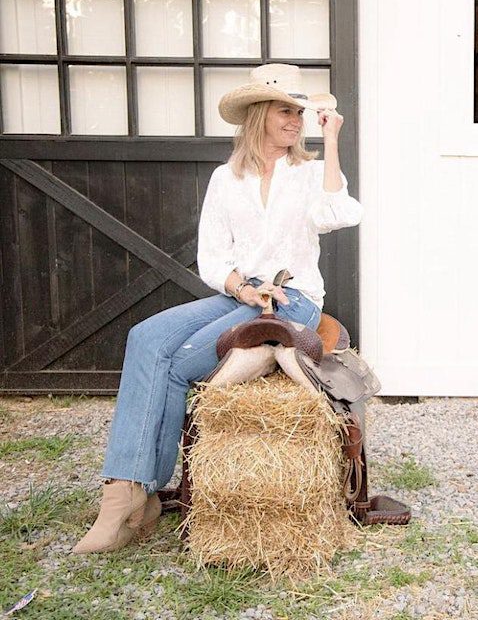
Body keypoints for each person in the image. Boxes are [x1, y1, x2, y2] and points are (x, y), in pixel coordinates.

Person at [73, 63, 362, 554]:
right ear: (257, 115)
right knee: (145, 337)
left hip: (293, 299)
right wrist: (242, 288)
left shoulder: (311, 173)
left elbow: (338, 214)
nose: (296, 121)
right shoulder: (226, 178)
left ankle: (135, 494)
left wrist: (331, 139)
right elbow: (211, 257)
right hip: (240, 294)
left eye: (300, 113)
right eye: (285, 111)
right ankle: (126, 491)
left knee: (180, 362)